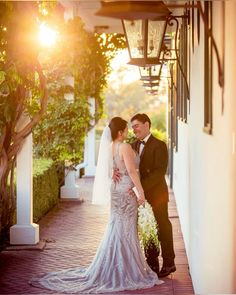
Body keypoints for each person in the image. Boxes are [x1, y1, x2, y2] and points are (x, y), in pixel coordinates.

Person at [30, 116, 163, 294]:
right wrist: (141, 192)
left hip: (116, 190)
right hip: (125, 191)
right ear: (120, 131)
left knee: (116, 226)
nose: (129, 131)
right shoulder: (124, 146)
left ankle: (114, 265)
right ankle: (127, 269)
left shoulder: (110, 146)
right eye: (126, 128)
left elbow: (108, 167)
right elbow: (131, 171)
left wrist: (113, 171)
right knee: (126, 229)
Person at [130, 113, 176, 278]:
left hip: (157, 194)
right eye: (132, 126)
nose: (133, 129)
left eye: (136, 125)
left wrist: (140, 188)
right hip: (140, 196)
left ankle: (169, 263)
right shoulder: (132, 145)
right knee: (147, 227)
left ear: (147, 124)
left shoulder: (160, 145)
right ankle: (152, 262)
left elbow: (159, 173)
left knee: (162, 226)